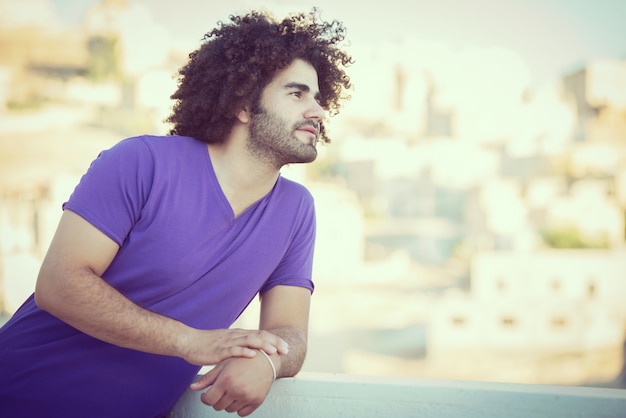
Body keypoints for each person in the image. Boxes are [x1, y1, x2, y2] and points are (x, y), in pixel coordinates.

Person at [0, 9, 351, 417]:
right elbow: (59, 285)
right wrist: (191, 342)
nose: (318, 111)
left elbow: (289, 331)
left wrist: (269, 362)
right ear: (242, 104)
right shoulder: (140, 162)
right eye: (297, 94)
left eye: (319, 98)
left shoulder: (296, 210)